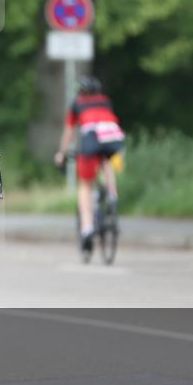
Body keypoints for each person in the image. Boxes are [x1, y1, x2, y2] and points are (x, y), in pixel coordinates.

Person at [54, 76, 125, 257]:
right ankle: (111, 194)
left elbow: (69, 132)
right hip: (113, 139)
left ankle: (86, 228)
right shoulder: (105, 101)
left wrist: (61, 154)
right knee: (106, 160)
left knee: (85, 186)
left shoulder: (77, 104)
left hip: (91, 142)